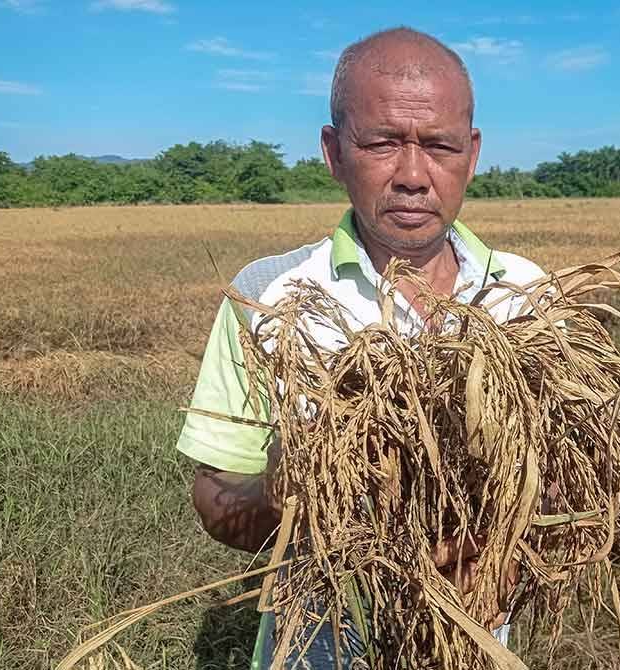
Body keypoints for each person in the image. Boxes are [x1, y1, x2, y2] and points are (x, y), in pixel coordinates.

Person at [175, 26, 545, 669]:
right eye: (381, 143)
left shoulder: (528, 295)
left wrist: (508, 547)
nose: (411, 175)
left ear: (473, 153)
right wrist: (294, 484)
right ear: (334, 150)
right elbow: (214, 496)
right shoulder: (267, 294)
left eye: (438, 146)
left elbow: (576, 489)